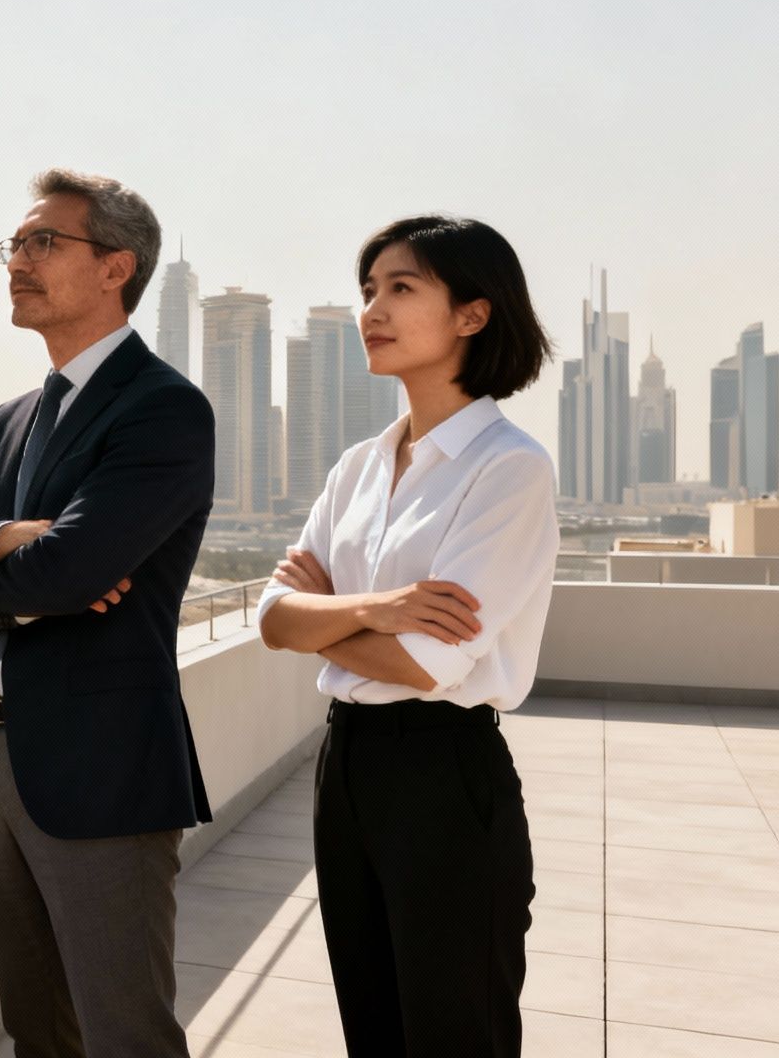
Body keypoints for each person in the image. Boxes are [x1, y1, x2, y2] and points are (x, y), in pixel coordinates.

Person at [0, 169, 214, 1057]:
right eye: (16, 244)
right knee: (36, 1028)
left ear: (117, 267)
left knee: (124, 1034)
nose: (18, 262)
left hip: (103, 767)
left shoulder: (163, 409)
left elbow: (71, 571)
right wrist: (11, 543)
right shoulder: (9, 421)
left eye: (45, 242)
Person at [258, 215, 560, 1055]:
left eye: (401, 287)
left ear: (473, 313)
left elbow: (423, 665)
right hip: (344, 766)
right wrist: (377, 607)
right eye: (368, 290)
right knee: (373, 1027)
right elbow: (273, 618)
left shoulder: (509, 467)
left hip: (444, 774)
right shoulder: (357, 466)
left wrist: (329, 617)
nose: (372, 310)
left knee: (455, 1032)